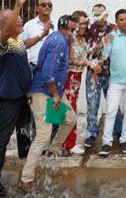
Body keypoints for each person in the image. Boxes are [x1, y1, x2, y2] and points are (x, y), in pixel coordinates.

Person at [19, 15, 78, 192]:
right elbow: (48, 73)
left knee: (71, 118)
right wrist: (56, 96)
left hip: (53, 91)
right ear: (63, 28)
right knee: (43, 135)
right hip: (42, 92)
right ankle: (26, 179)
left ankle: (54, 148)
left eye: (76, 30)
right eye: (72, 30)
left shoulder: (61, 39)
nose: (74, 33)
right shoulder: (59, 42)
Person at [0, 0, 32, 197]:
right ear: (6, 25)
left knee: (24, 131)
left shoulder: (17, 40)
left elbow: (25, 48)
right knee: (2, 137)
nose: (21, 21)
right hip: (10, 98)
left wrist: (42, 36)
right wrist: (17, 4)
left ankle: (25, 165)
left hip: (23, 96)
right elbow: (7, 28)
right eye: (17, 19)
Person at [98, 9, 126, 155]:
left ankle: (124, 140)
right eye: (120, 19)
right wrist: (95, 68)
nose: (124, 21)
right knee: (111, 112)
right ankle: (106, 143)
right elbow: (103, 57)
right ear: (116, 22)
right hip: (116, 81)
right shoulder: (111, 37)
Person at [84, 4, 122, 148]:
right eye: (96, 14)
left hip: (112, 74)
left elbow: (118, 50)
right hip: (93, 74)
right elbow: (87, 53)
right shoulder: (89, 31)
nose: (99, 17)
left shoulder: (114, 29)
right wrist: (101, 43)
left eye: (102, 14)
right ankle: (92, 134)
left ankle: (117, 132)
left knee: (114, 105)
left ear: (106, 14)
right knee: (92, 105)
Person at [61, 11, 91, 156]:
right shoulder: (71, 38)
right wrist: (86, 62)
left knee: (69, 110)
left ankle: (64, 144)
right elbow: (71, 59)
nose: (83, 26)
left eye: (85, 23)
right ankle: (68, 144)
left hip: (77, 77)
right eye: (80, 23)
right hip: (68, 76)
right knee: (69, 110)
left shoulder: (82, 39)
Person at [22, 0, 56, 71]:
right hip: (34, 68)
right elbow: (22, 45)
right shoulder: (29, 25)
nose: (47, 7)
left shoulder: (57, 24)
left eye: (50, 5)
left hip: (52, 68)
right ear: (37, 9)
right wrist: (42, 35)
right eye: (44, 5)